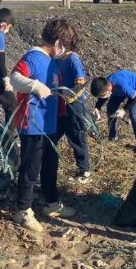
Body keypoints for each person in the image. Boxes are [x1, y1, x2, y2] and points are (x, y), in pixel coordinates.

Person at [9, 17, 77, 232]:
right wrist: (35, 85)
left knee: (50, 164)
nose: (65, 50)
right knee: (31, 168)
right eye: (65, 45)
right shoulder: (33, 57)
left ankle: (51, 204)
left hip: (49, 124)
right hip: (33, 123)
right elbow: (14, 78)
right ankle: (22, 211)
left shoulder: (52, 61)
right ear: (58, 42)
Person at [53, 28, 92, 183]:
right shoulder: (57, 59)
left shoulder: (72, 59)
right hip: (59, 105)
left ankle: (84, 171)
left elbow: (80, 83)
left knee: (77, 137)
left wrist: (68, 96)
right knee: (52, 137)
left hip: (73, 106)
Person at [91, 70, 136, 145]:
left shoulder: (122, 86)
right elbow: (103, 97)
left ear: (108, 90)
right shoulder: (105, 84)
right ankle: (113, 137)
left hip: (135, 88)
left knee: (133, 115)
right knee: (111, 109)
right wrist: (97, 107)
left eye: (102, 95)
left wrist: (124, 110)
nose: (102, 97)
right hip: (118, 91)